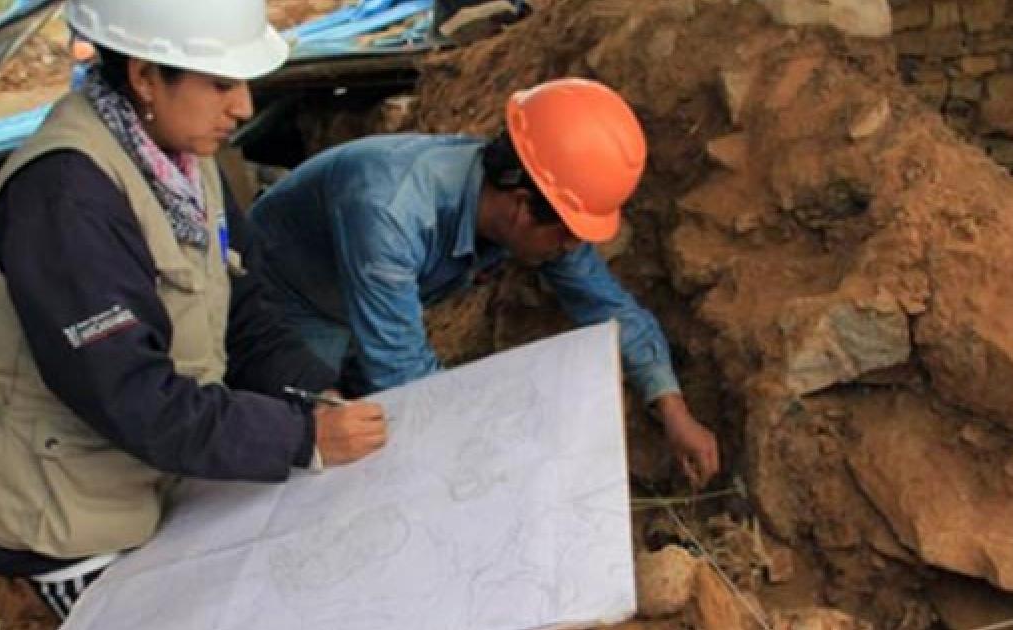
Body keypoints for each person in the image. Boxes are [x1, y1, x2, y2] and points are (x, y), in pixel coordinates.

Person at [0, 0, 387, 618]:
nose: (243, 108)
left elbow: (241, 306)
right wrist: (298, 436)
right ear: (145, 75)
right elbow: (128, 393)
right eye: (220, 84)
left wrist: (314, 392)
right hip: (72, 522)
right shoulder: (66, 199)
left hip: (160, 477)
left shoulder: (183, 163)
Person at [251, 78, 720, 489]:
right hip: (283, 300)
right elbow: (405, 376)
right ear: (521, 205)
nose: (571, 250)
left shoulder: (527, 210)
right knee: (323, 449)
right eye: (567, 236)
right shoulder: (390, 210)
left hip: (363, 300)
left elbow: (608, 305)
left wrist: (674, 410)